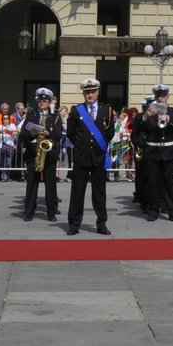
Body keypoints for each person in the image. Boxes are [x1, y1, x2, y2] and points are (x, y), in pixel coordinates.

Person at [63, 77, 115, 235]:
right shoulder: (76, 110)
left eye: (92, 92)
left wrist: (101, 145)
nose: (90, 95)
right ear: (83, 94)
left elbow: (110, 132)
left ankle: (101, 223)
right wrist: (81, 145)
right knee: (77, 192)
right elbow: (71, 133)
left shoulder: (107, 109)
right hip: (82, 157)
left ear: (98, 93)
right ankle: (74, 223)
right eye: (87, 92)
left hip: (98, 157)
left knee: (99, 192)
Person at [16, 87, 63, 222]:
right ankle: (29, 210)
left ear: (49, 102)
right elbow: (24, 132)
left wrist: (48, 133)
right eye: (40, 101)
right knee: (31, 183)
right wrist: (31, 134)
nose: (41, 103)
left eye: (44, 101)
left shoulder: (55, 116)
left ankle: (51, 211)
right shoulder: (32, 114)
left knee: (50, 183)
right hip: (33, 151)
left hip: (49, 152)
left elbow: (59, 134)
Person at [137, 85, 173, 222]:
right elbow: (138, 128)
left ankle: (172, 210)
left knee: (170, 183)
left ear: (167, 97)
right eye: (158, 97)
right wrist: (145, 116)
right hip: (153, 152)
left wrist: (169, 119)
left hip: (169, 151)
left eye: (163, 96)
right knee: (153, 183)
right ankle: (153, 210)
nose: (161, 99)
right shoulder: (149, 113)